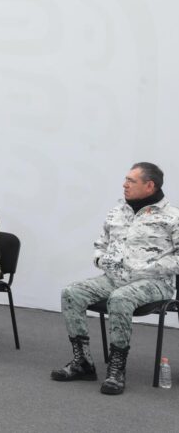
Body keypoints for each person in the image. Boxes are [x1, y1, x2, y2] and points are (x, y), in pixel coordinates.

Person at [51, 162, 179, 395]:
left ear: (150, 185)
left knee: (120, 299)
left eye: (131, 181)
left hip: (155, 283)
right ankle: (83, 363)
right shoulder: (117, 211)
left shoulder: (172, 217)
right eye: (125, 179)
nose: (124, 184)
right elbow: (100, 244)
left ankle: (116, 369)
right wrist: (101, 260)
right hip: (115, 277)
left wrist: (149, 267)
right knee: (72, 292)